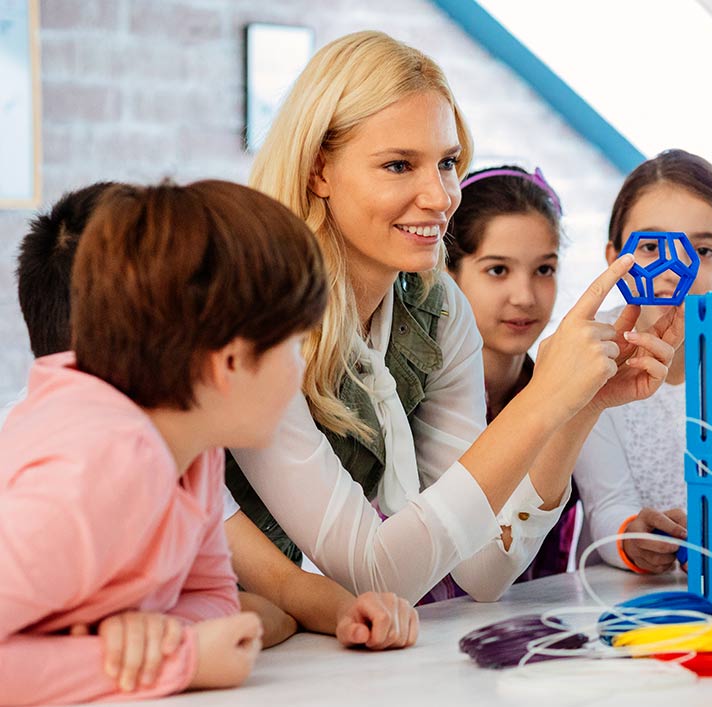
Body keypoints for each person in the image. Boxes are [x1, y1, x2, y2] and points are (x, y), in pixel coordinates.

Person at [226, 30, 681, 603]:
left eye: (446, 162)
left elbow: (485, 568)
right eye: (398, 165)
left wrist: (577, 406)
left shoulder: (435, 307)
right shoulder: (257, 319)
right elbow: (376, 576)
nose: (441, 196)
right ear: (318, 170)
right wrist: (543, 398)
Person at [7, 182, 418, 656]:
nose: (301, 369)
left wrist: (169, 628)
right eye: (291, 347)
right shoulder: (81, 471)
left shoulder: (190, 456)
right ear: (227, 363)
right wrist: (179, 658)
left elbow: (225, 597)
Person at [574, 149, 712, 576]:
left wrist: (708, 547)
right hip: (625, 595)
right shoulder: (591, 350)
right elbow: (608, 505)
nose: (676, 269)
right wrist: (631, 537)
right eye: (651, 246)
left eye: (703, 250)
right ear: (615, 259)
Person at [446, 165, 578, 580]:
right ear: (448, 274)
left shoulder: (564, 394)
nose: (525, 297)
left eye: (544, 270)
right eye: (498, 270)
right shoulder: (416, 408)